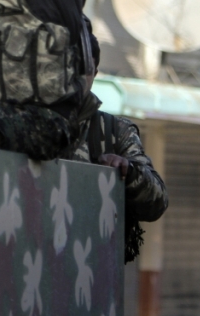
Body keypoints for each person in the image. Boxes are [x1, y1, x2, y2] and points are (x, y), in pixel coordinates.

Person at [68, 111, 168, 262]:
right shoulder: (25, 122)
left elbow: (157, 201)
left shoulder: (112, 129)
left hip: (94, 269)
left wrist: (129, 173)